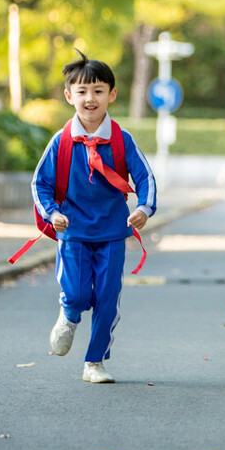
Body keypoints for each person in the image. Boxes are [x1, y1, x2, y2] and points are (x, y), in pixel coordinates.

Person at [32, 51, 156, 384]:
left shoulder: (121, 139)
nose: (91, 98)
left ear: (112, 95)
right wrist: (52, 212)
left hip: (113, 232)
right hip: (72, 231)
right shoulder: (61, 142)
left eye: (99, 90)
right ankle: (69, 316)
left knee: (106, 296)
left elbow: (146, 178)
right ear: (69, 95)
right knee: (75, 293)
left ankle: (95, 362)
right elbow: (40, 183)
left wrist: (144, 208)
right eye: (82, 91)